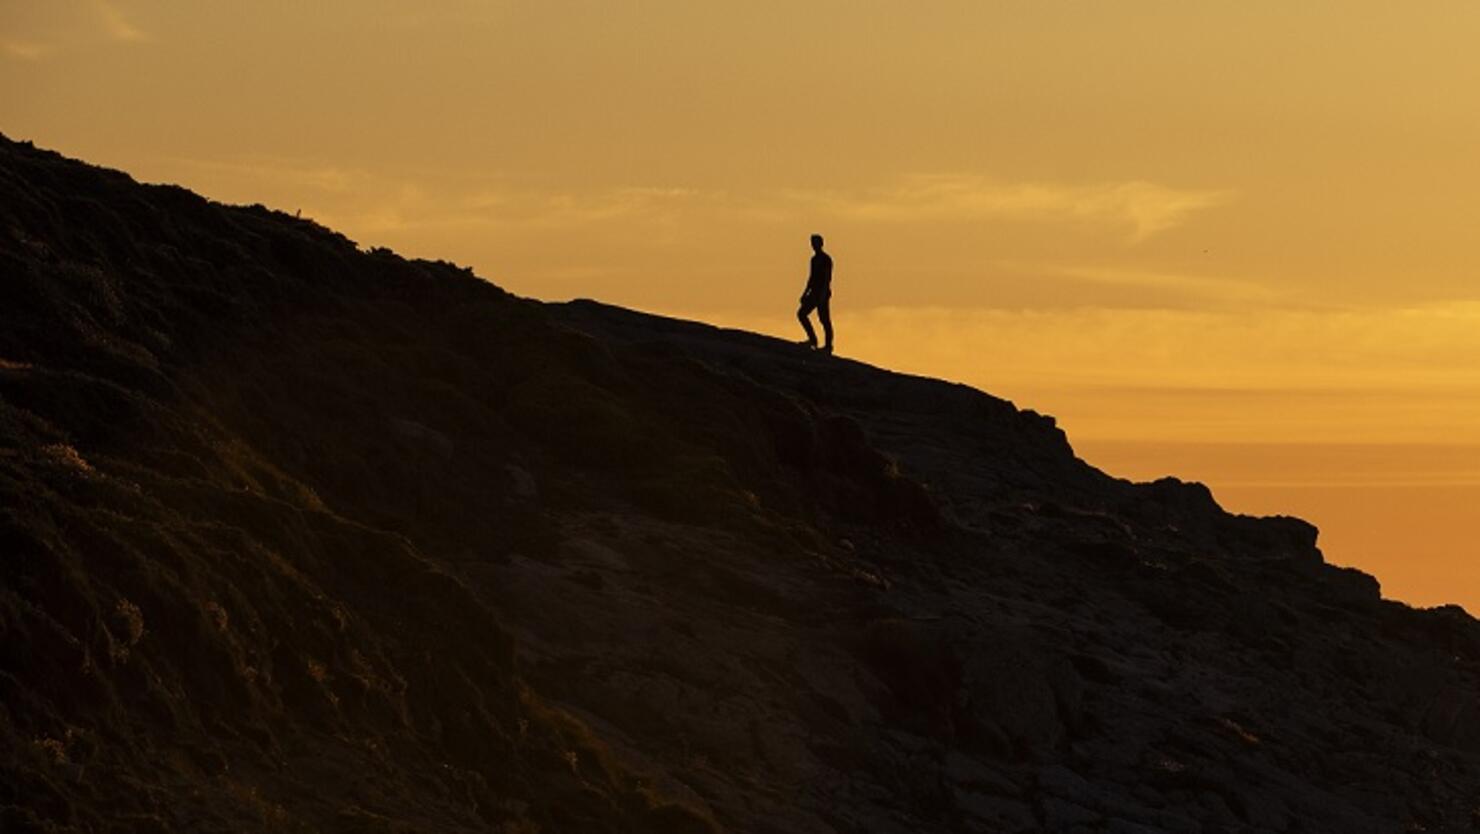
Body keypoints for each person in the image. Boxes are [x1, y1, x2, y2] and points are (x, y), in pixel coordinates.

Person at [797, 233, 834, 353]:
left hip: (822, 293)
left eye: (816, 243)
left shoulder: (826, 259)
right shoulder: (814, 260)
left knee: (824, 320)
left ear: (821, 244)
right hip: (814, 292)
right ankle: (812, 340)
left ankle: (828, 346)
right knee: (802, 314)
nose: (813, 245)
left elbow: (827, 278)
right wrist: (805, 293)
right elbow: (811, 278)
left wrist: (823, 295)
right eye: (812, 243)